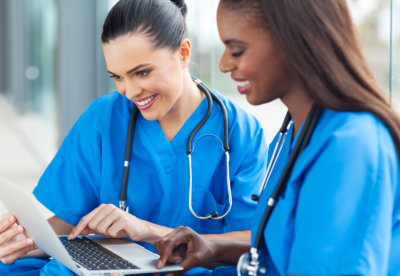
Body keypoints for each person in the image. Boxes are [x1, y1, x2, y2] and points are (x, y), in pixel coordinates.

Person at [0, 0, 268, 275]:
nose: (130, 91)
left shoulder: (239, 132)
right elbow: (72, 222)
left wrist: (148, 231)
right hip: (112, 267)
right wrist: (25, 240)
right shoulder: (104, 117)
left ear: (183, 52)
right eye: (117, 77)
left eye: (142, 72)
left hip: (190, 268)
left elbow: (250, 242)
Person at [155, 0, 400, 275]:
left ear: (294, 40)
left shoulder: (352, 146)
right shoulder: (292, 135)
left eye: (237, 50)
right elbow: (284, 251)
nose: (224, 64)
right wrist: (213, 249)